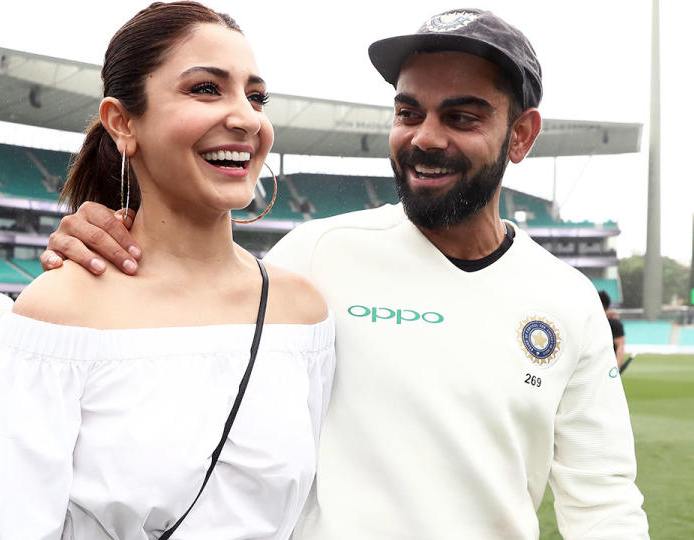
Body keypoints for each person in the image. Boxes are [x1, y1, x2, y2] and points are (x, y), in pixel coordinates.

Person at [45, 8, 650, 538]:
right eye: (409, 112)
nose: (426, 138)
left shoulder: (566, 299)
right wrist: (106, 237)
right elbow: (185, 322)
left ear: (521, 136)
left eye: (463, 118)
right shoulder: (316, 255)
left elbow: (604, 500)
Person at [0, 3, 334, 538]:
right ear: (123, 122)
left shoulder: (304, 312)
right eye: (205, 89)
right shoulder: (62, 312)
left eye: (256, 95)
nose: (246, 117)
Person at [600, 289, 632, 372]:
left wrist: (616, 369)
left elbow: (620, 346)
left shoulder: (614, 324)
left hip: (607, 368)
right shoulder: (593, 322)